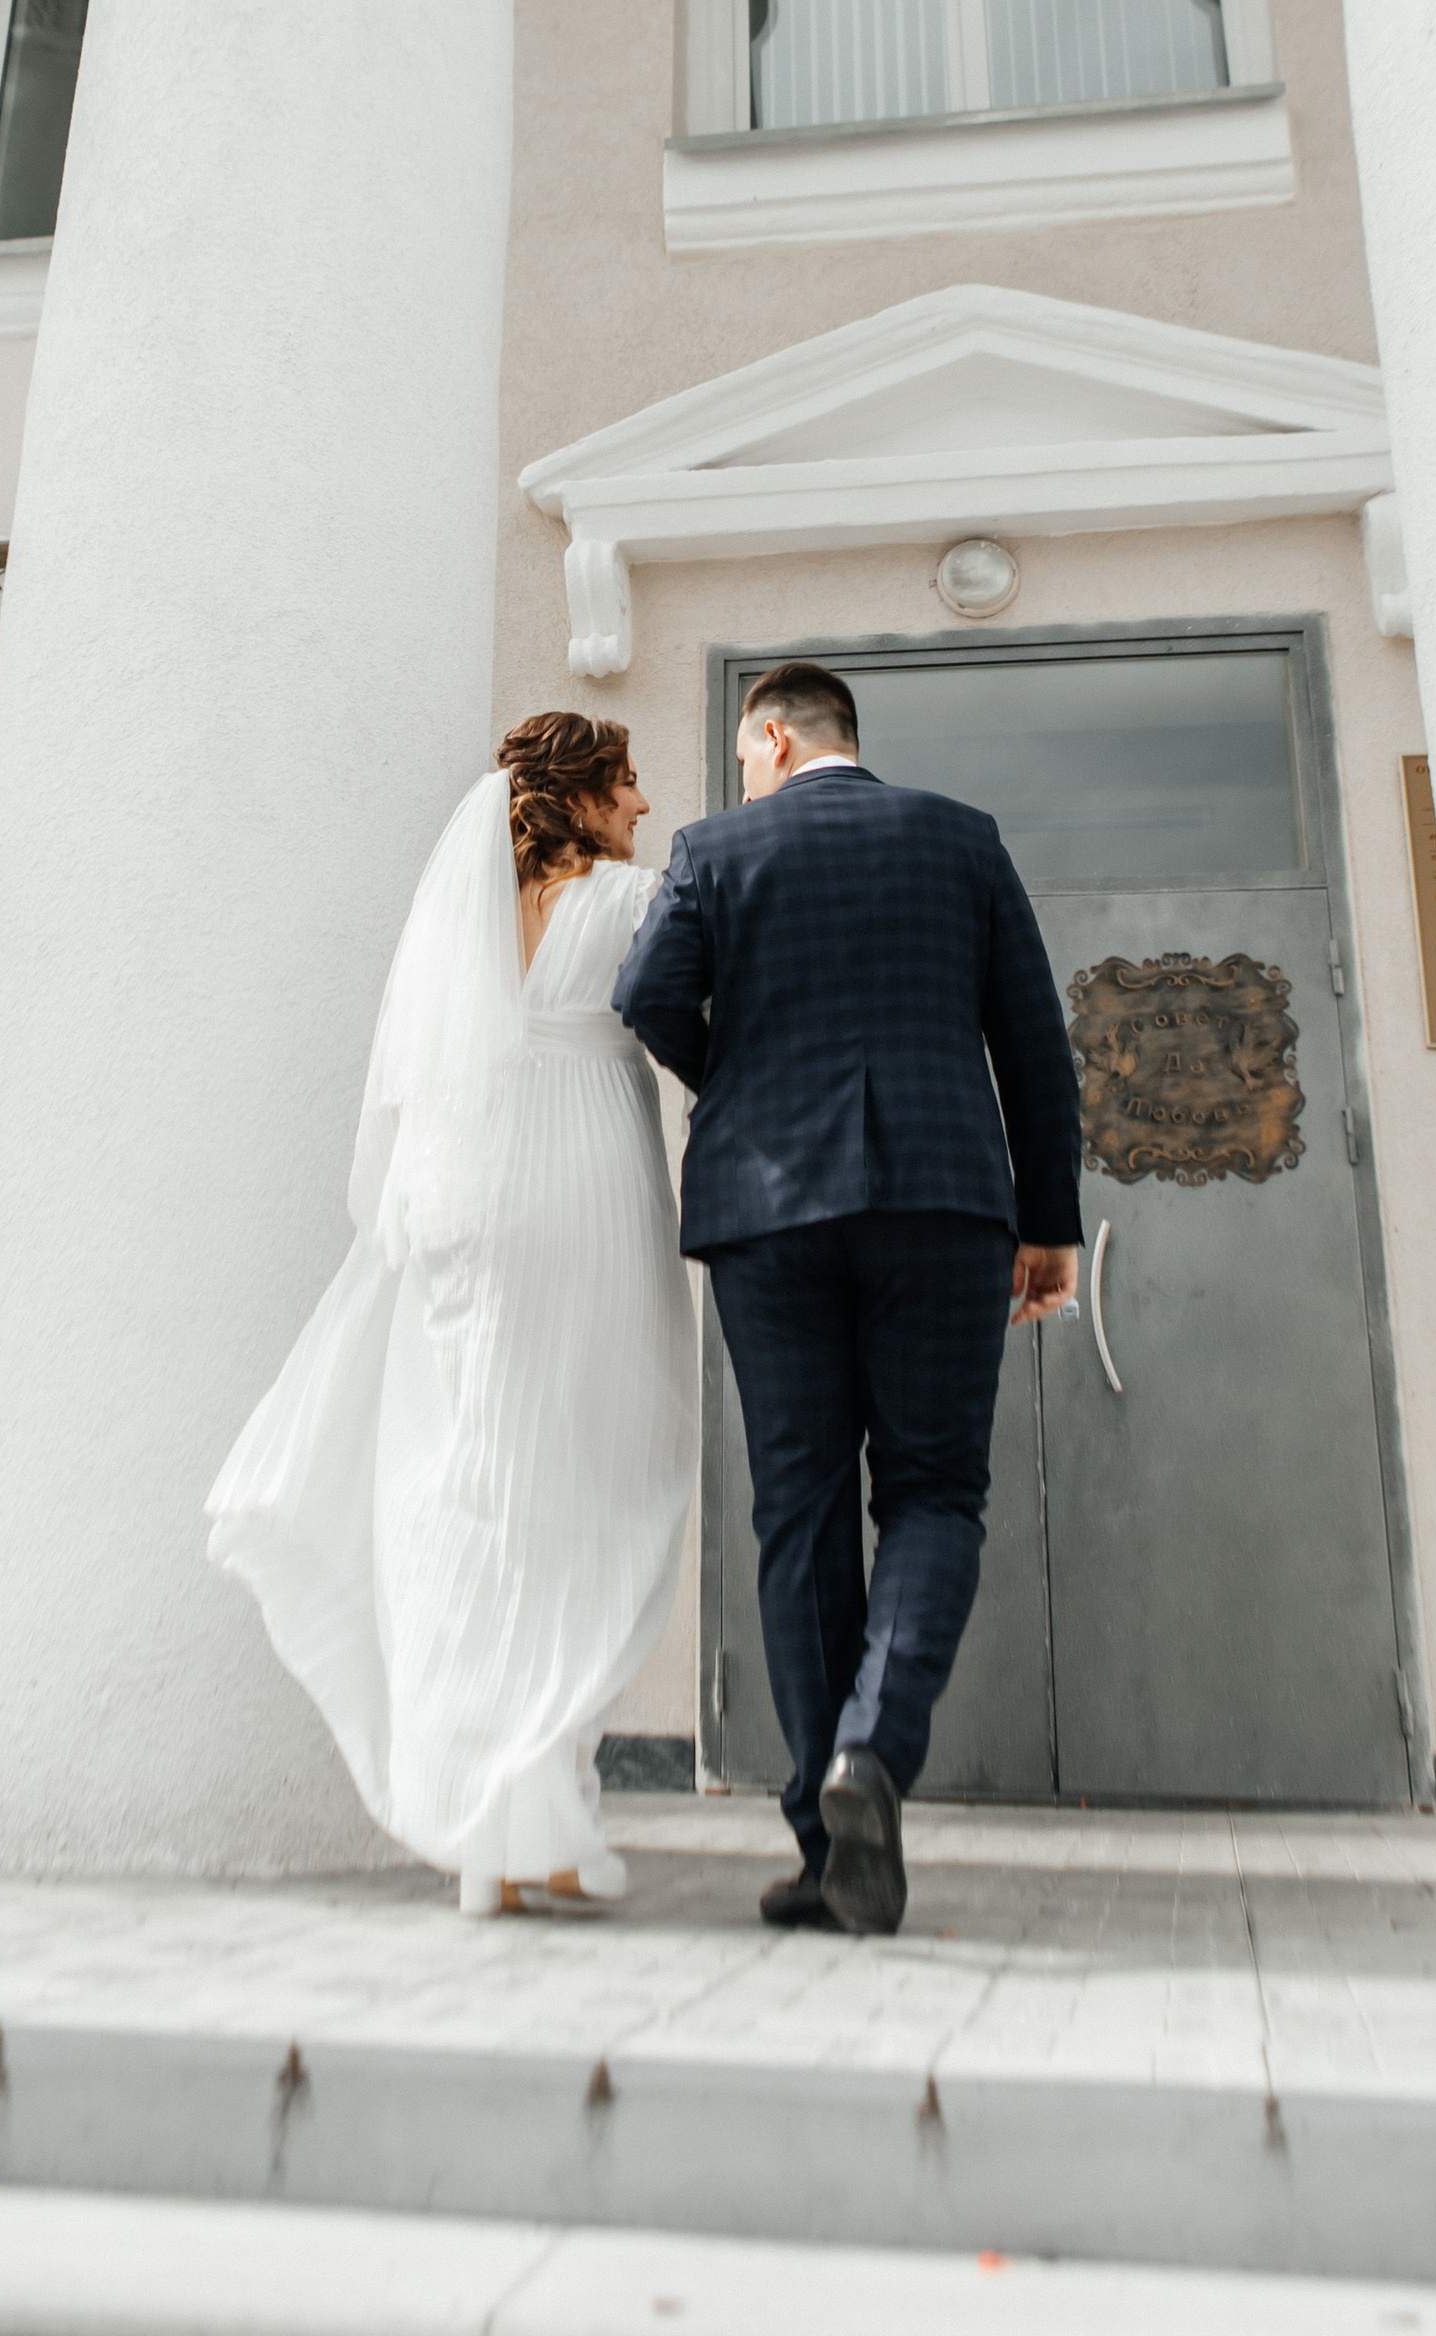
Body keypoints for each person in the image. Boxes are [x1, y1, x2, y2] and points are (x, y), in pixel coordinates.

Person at [613, 659, 1081, 1939]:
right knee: (934, 1492)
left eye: (746, 752)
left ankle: (824, 1851)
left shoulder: (716, 851)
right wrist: (1050, 1225)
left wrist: (743, 1077)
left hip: (768, 1213)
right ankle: (870, 1754)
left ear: (770, 735)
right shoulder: (962, 840)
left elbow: (646, 997)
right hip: (942, 1202)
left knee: (798, 1512)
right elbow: (1033, 1042)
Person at [208, 712, 695, 1917]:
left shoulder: (460, 916)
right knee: (596, 1469)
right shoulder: (633, 902)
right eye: (625, 783)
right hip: (582, 1182)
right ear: (580, 797)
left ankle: (507, 1829)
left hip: (465, 1188)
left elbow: (411, 1074)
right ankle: (531, 1810)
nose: (640, 803)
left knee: (478, 1477)